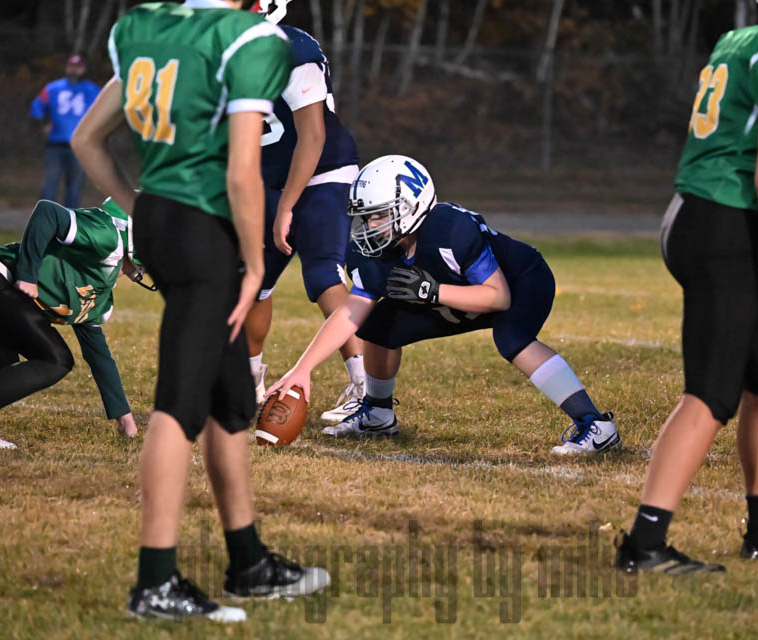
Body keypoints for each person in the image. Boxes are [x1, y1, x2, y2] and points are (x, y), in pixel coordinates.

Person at [71, 0, 328, 623]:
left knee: (231, 398)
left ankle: (249, 562)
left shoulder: (144, 26)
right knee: (180, 405)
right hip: (204, 228)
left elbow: (86, 139)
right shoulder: (247, 39)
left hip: (163, 216)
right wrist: (254, 261)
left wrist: (139, 206)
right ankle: (154, 582)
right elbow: (241, 173)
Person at [615, 0, 758, 575]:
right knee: (711, 393)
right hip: (717, 229)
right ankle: (643, 544)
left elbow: (735, 168)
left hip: (703, 218)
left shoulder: (737, 41)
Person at [266, 155, 620, 454]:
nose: (370, 225)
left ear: (410, 207)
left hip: (520, 283)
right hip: (447, 295)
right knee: (377, 325)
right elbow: (349, 313)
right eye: (366, 216)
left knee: (512, 338)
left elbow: (498, 296)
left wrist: (433, 292)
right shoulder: (373, 253)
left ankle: (595, 425)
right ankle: (378, 414)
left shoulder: (450, 229)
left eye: (379, 215)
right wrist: (302, 369)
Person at [0, 198, 139, 449]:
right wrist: (28, 275)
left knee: (2, 376)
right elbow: (48, 212)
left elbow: (99, 356)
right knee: (56, 360)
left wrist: (124, 418)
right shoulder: (108, 235)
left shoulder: (101, 291)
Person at [244, 1, 365, 424]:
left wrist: (286, 206)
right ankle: (249, 381)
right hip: (270, 177)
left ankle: (364, 387)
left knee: (322, 271)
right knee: (253, 280)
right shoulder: (220, 56)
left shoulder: (292, 47)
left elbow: (312, 137)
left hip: (324, 168)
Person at [29, 54, 101, 208]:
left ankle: (70, 218)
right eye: (71, 66)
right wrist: (43, 124)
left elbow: (103, 113)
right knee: (50, 184)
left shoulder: (92, 89)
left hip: (80, 146)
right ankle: (45, 216)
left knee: (75, 186)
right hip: (55, 144)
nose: (74, 70)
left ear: (83, 69)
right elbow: (36, 107)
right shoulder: (53, 88)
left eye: (78, 67)